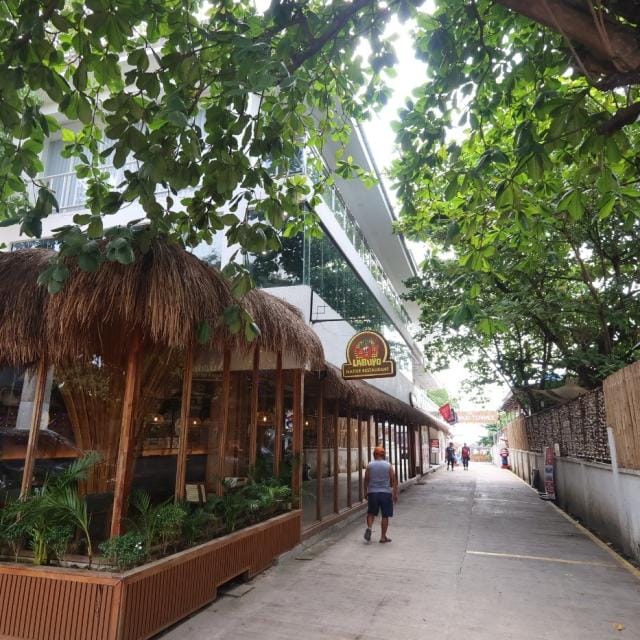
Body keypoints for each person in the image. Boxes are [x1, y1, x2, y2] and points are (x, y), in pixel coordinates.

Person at [363, 446, 397, 543]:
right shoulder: (388, 465)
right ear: (383, 455)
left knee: (371, 513)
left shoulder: (370, 465)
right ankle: (382, 537)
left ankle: (369, 528)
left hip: (373, 493)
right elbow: (393, 480)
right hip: (385, 493)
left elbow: (366, 480)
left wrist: (365, 492)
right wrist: (394, 493)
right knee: (385, 515)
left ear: (374, 454)